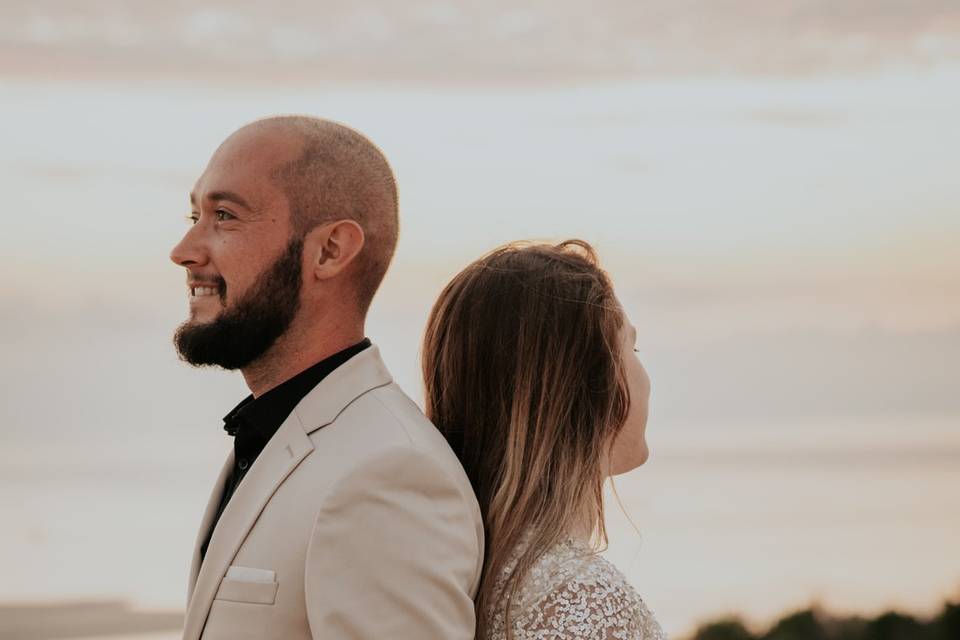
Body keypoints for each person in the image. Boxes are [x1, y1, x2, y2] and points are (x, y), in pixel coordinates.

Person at [170, 115, 483, 640]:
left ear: (330, 251)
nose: (184, 249)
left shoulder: (388, 471)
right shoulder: (285, 435)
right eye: (194, 214)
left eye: (224, 216)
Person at [421, 239, 666, 640]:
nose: (646, 375)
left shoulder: (471, 570)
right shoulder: (583, 600)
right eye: (631, 347)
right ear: (587, 386)